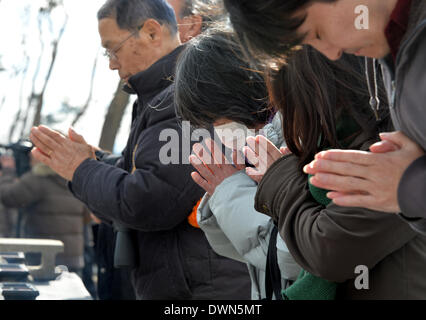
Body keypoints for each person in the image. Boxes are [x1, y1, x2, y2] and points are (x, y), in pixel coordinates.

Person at [30, 0, 251, 300]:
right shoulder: (158, 96)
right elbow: (138, 175)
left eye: (113, 49)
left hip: (201, 289)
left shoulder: (184, 96)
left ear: (151, 32)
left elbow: (149, 200)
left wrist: (81, 169)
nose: (111, 62)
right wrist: (92, 161)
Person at [222, 0, 426, 232]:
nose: (332, 53)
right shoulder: (390, 49)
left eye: (318, 33)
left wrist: (409, 186)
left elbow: (330, 247)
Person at [240, 45, 426, 299]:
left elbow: (328, 250)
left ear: (315, 91)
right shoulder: (339, 138)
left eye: (288, 104)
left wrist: (280, 181)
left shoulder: (388, 142)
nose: (287, 117)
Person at [175, 29, 301, 300]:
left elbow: (291, 256)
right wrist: (227, 188)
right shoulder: (256, 143)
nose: (217, 130)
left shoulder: (298, 136)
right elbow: (246, 252)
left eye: (216, 117)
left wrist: (228, 188)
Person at [0, 153, 87, 274]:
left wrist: (8, 171)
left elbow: (8, 197)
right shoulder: (77, 180)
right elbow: (87, 217)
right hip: (73, 257)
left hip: (43, 257)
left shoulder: (37, 178)